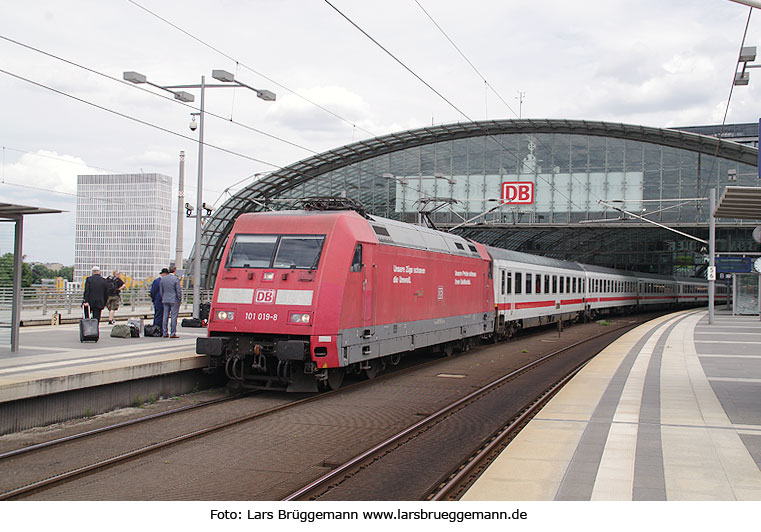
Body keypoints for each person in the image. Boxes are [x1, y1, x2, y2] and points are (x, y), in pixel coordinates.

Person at [160, 265, 182, 338]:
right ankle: (173, 333)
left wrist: (163, 297)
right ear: (175, 271)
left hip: (165, 299)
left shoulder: (163, 279)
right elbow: (178, 291)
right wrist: (179, 299)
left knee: (165, 316)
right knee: (173, 316)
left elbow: (161, 290)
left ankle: (165, 333)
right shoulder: (176, 279)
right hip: (174, 300)